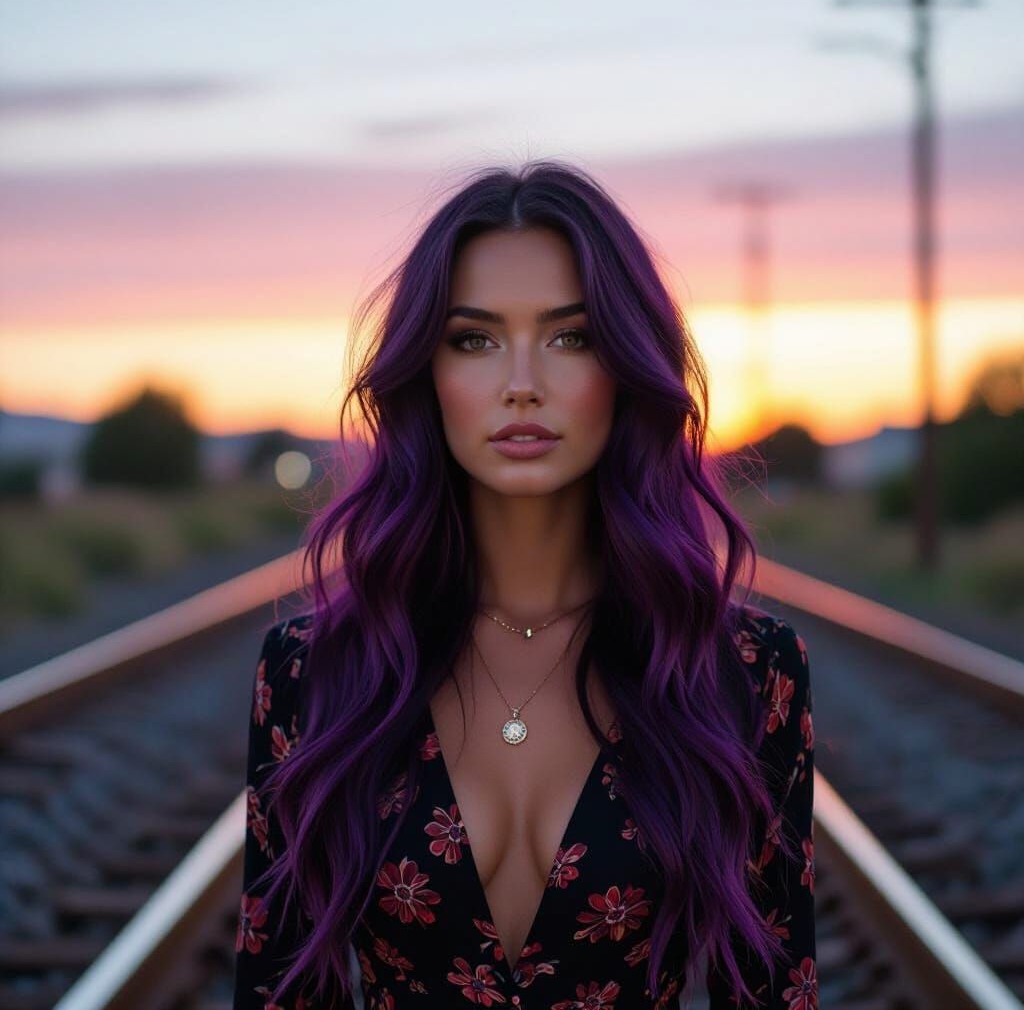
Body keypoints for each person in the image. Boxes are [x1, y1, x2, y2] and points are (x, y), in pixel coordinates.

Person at [233, 160, 816, 1010]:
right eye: (474, 340)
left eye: (570, 337)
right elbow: (278, 991)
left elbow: (775, 993)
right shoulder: (312, 671)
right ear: (425, 374)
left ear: (628, 366)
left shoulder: (745, 668)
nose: (521, 384)